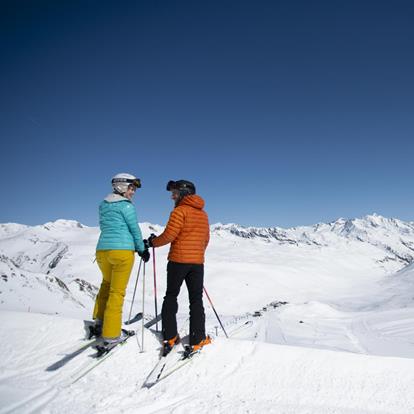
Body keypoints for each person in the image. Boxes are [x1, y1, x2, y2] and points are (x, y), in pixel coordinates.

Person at [148, 179, 210, 355]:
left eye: (174, 193)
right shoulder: (203, 215)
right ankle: (198, 339)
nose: (172, 197)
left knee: (171, 296)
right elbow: (205, 240)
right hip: (197, 264)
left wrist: (152, 242)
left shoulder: (179, 211)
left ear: (184, 194)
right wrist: (196, 254)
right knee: (196, 300)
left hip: (177, 261)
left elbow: (169, 235)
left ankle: (171, 336)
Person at [92, 173, 150, 350]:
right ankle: (111, 335)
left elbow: (106, 227)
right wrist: (142, 249)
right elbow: (134, 230)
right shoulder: (127, 207)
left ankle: (99, 323)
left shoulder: (103, 205)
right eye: (131, 188)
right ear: (121, 187)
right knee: (117, 293)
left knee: (106, 285)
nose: (133, 192)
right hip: (122, 251)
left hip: (102, 251)